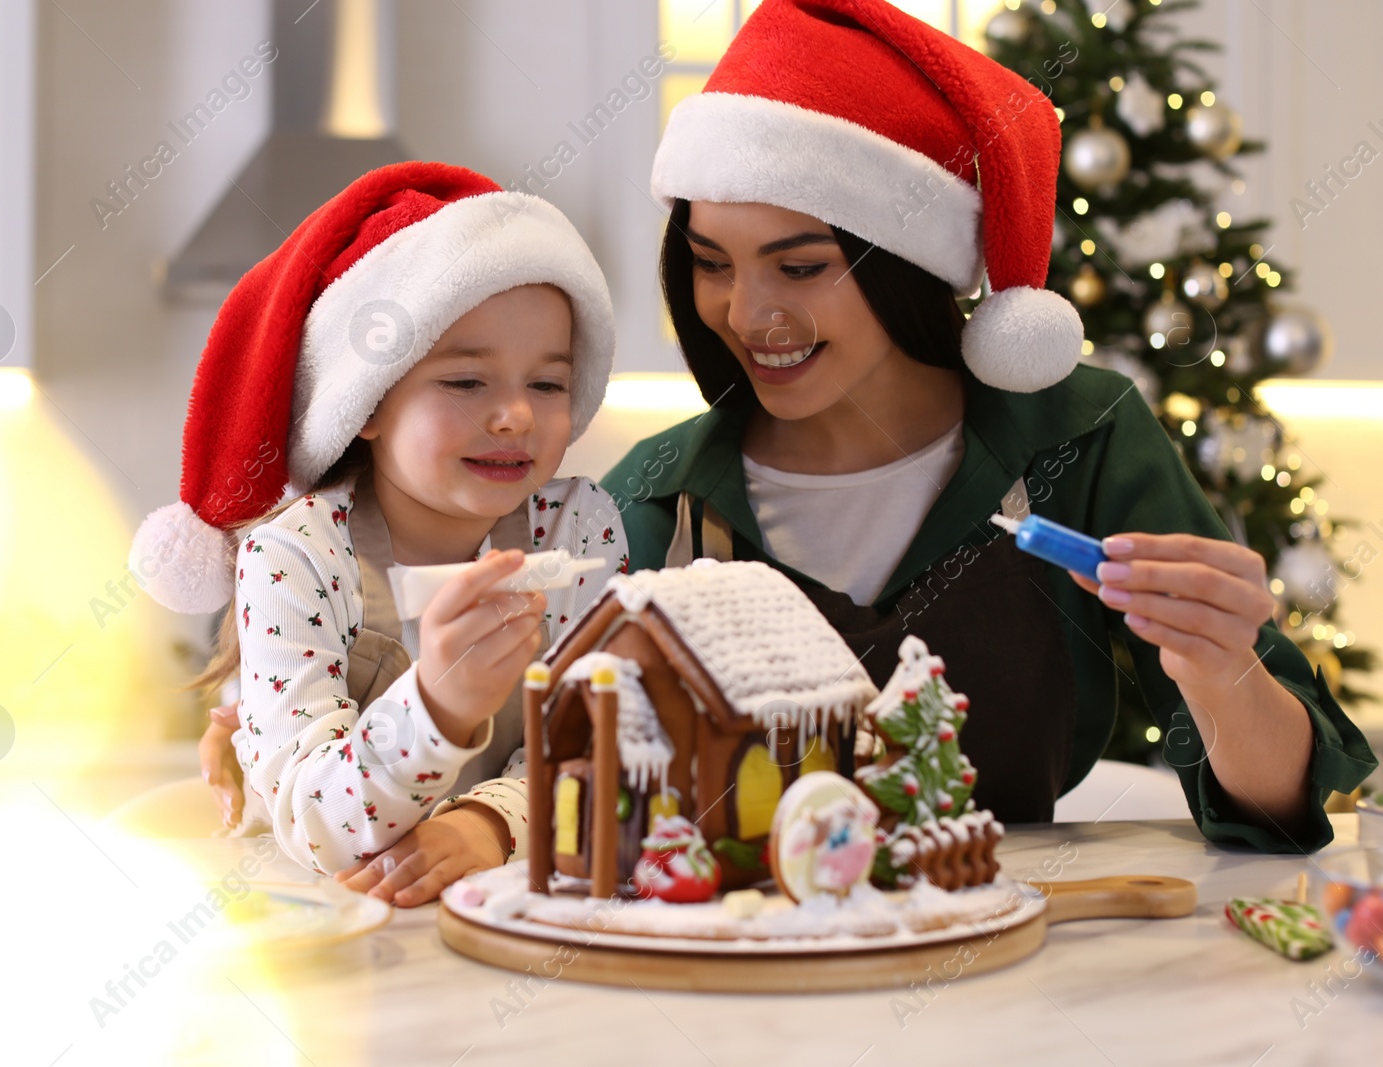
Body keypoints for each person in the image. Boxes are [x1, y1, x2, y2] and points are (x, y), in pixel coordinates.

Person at [602, 0, 1374, 852]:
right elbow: (554, 785)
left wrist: (1220, 665)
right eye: (711, 264)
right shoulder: (656, 496)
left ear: (908, 264)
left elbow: (1280, 814)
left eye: (801, 266)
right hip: (728, 968)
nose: (747, 313)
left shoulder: (1082, 439)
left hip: (1023, 962)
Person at [135, 162, 624, 906]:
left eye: (547, 383)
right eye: (466, 381)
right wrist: (437, 706)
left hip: (507, 930)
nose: (516, 415)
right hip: (326, 932)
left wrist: (490, 824)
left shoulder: (576, 530)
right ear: (365, 402)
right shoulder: (294, 559)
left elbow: (606, 754)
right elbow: (314, 827)